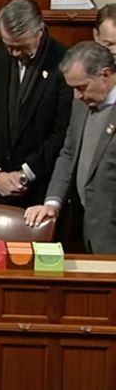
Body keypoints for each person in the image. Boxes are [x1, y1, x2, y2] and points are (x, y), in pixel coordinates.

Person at [0, 0, 72, 208]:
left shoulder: (64, 61)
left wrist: (25, 173)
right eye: (8, 45)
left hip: (39, 189)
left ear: (39, 31)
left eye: (20, 46)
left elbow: (62, 132)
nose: (13, 52)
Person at [25, 42, 116, 253]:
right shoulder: (81, 104)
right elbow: (68, 152)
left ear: (105, 74)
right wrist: (52, 202)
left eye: (81, 87)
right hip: (81, 229)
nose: (77, 96)